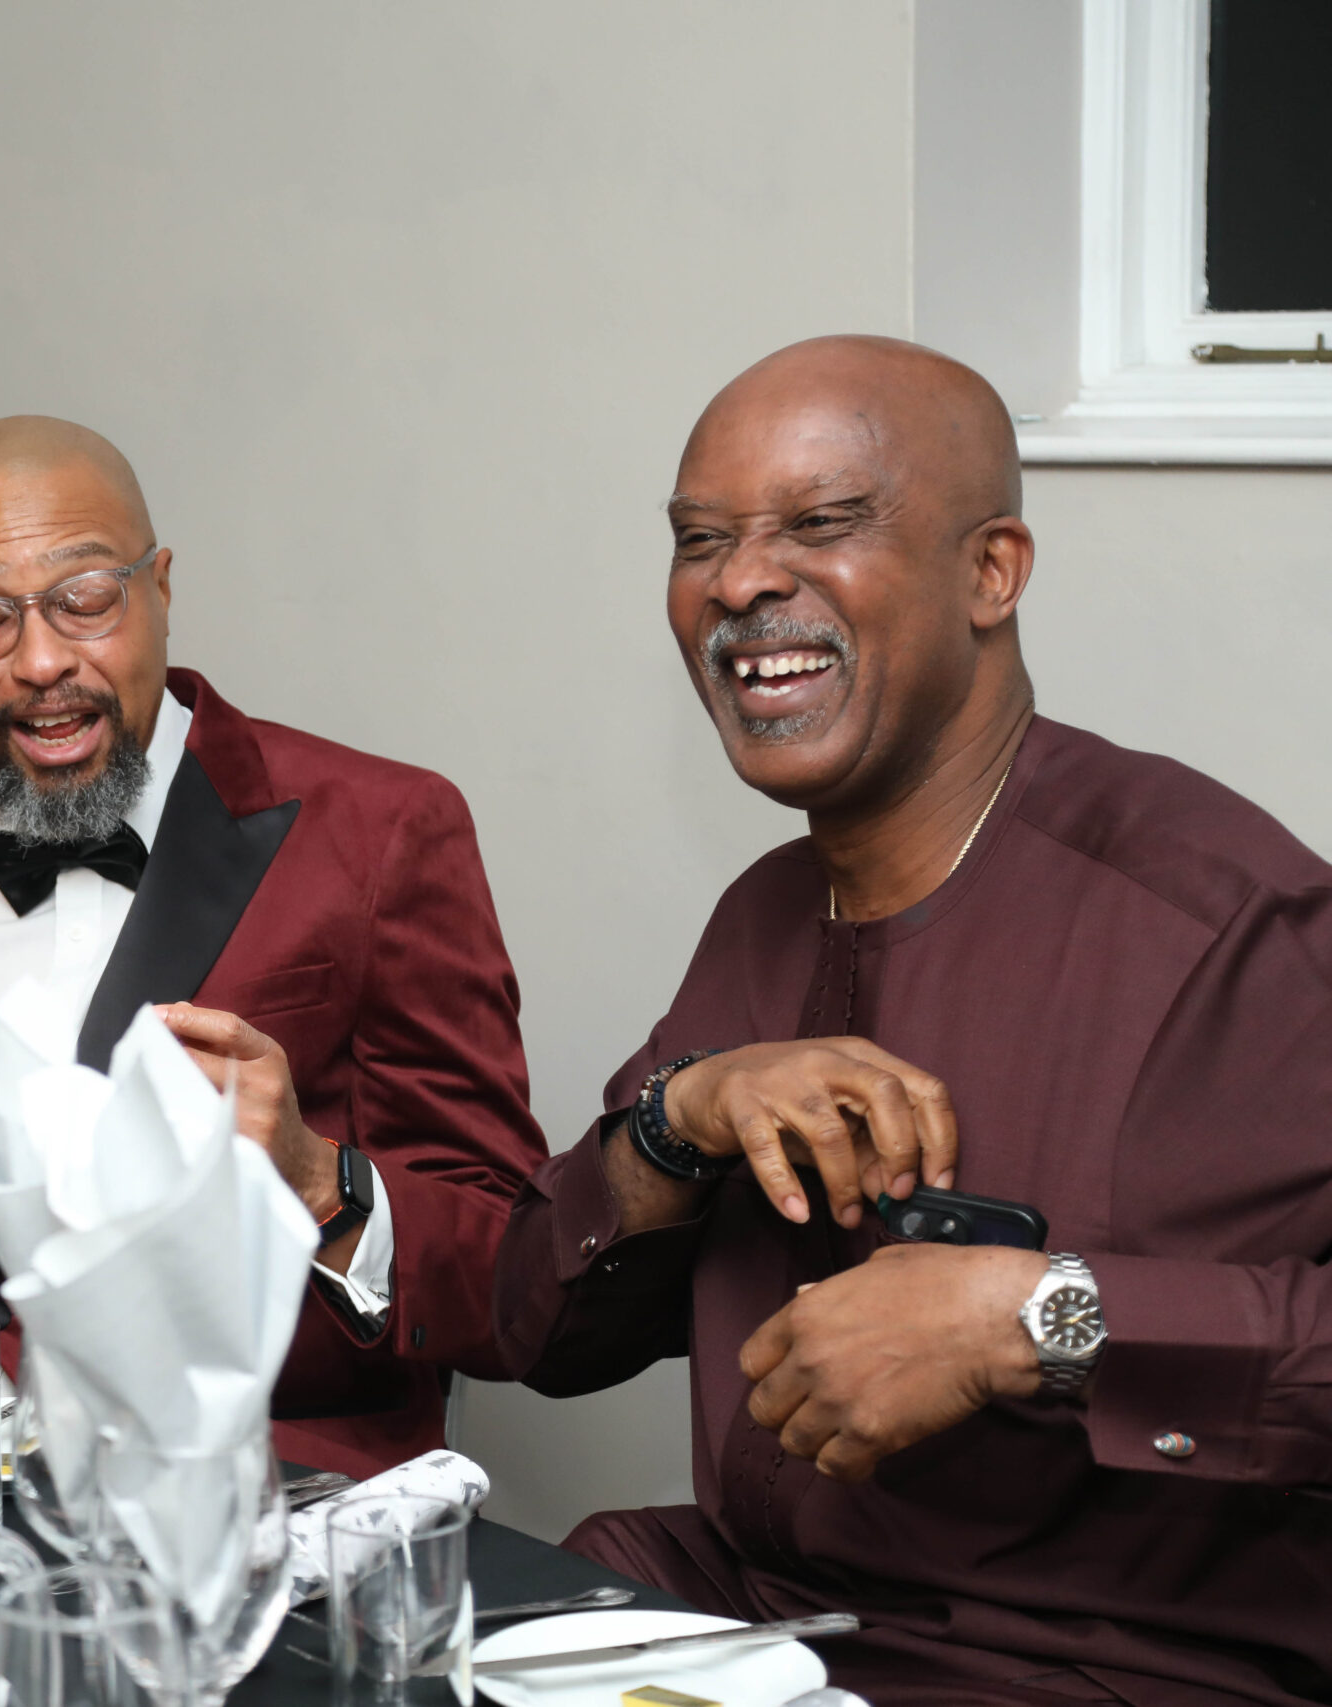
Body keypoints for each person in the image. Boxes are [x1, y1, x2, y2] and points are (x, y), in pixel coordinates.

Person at [494, 337, 1332, 1704]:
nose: (740, 581)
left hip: (1092, 1667)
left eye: (823, 522)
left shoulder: (1225, 925)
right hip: (749, 1615)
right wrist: (675, 1118)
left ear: (991, 570)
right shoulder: (764, 914)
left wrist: (1040, 1316)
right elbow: (541, 1332)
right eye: (700, 539)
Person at [0, 416, 545, 1474]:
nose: (41, 661)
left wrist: (320, 1181)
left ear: (161, 587)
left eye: (85, 598)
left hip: (233, 1508)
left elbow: (512, 1266)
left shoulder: (380, 836)